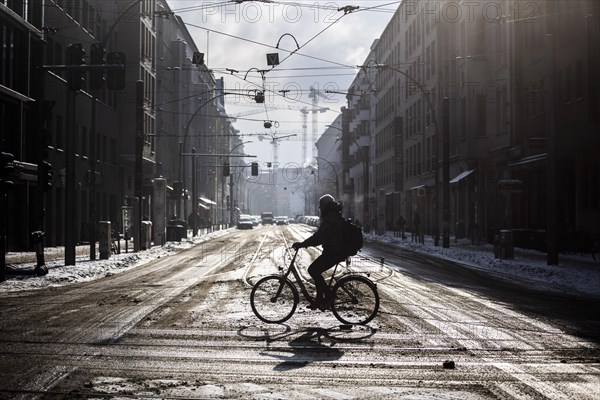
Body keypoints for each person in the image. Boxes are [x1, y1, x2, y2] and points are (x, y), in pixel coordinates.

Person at [292, 194, 347, 310]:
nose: (320, 208)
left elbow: (320, 236)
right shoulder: (332, 215)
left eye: (321, 206)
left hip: (334, 252)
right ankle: (320, 299)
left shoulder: (330, 217)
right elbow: (322, 236)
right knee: (315, 270)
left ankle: (328, 296)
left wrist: (303, 244)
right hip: (334, 250)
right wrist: (306, 243)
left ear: (326, 205)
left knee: (313, 270)